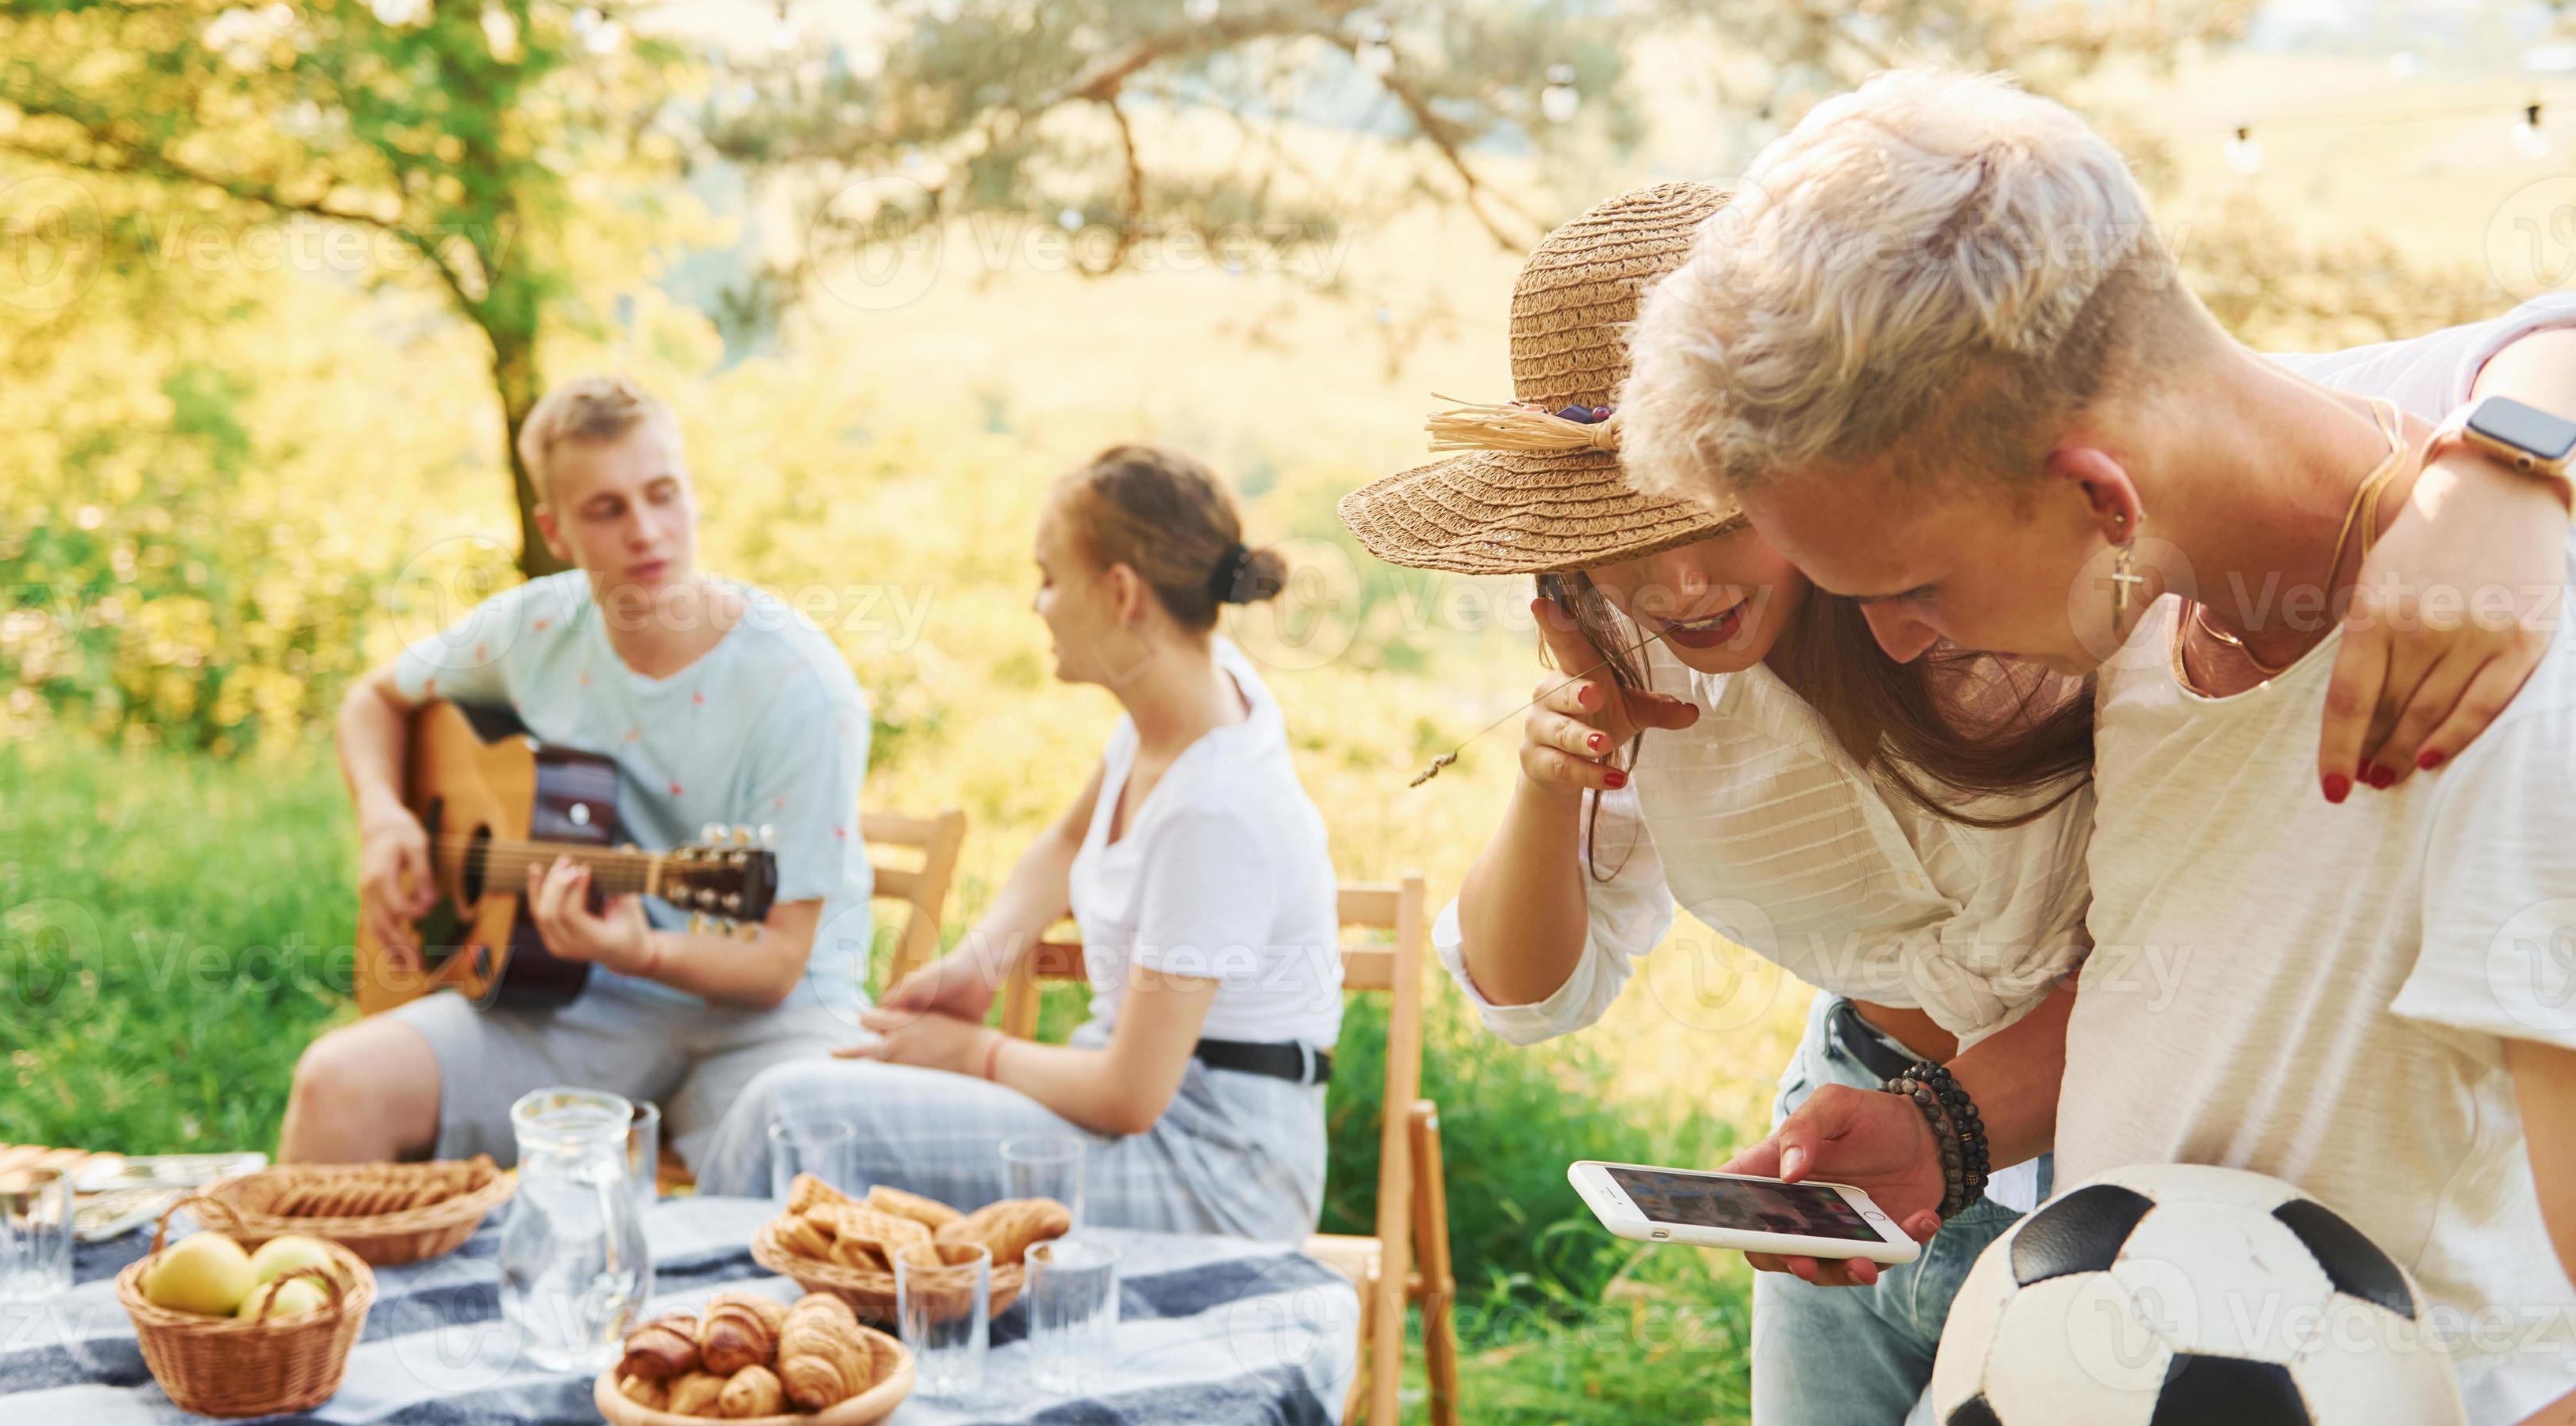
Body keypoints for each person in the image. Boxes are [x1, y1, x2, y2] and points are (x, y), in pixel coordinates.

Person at [1340, 184, 2574, 1426]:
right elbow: (1530, 993)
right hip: (1884, 1122)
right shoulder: (1630, 661)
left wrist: (2504, 475)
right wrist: (1553, 785)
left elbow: (2515, 349)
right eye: (1615, 532)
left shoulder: (2079, 496)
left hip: (2116, 1167)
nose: (1677, 580)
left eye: (1710, 515)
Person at [697, 445, 1344, 1242]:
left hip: (1215, 1173)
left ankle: (702, 1335)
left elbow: (1129, 1094)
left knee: (786, 1114)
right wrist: (979, 963)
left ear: (1119, 594)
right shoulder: (1188, 690)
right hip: (1148, 1121)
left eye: (1047, 576)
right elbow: (1069, 841)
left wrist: (973, 1052)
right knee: (807, 1095)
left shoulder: (1217, 807)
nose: (1035, 603)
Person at [278, 375, 877, 1169]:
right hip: (572, 998)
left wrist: (644, 951)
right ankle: (312, 1292)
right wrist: (385, 818)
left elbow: (774, 963)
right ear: (554, 531)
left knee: (797, 1161)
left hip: (775, 1020)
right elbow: (372, 701)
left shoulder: (798, 686)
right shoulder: (532, 627)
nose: (647, 532)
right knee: (336, 1084)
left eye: (663, 494)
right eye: (607, 509)